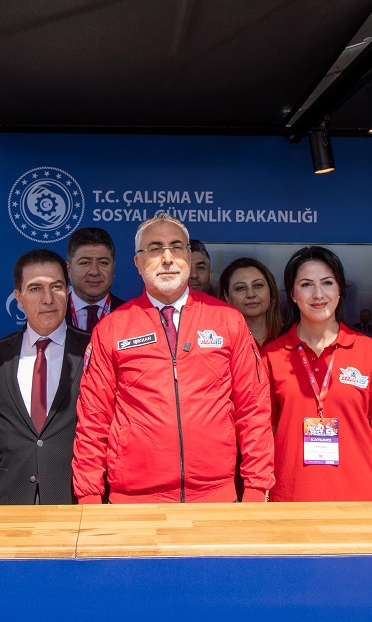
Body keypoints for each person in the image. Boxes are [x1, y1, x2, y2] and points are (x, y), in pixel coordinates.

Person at [72, 213, 274, 503]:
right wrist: (89, 497)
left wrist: (256, 489)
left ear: (188, 257)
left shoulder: (227, 320)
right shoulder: (112, 328)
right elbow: (93, 419)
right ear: (137, 262)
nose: (167, 258)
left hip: (214, 497)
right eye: (155, 249)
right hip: (133, 502)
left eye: (176, 247)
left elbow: (253, 408)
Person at [263, 246, 372, 502]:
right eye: (306, 285)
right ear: (292, 294)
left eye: (327, 283)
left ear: (340, 290)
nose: (318, 294)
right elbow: (265, 435)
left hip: (361, 502)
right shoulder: (271, 356)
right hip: (291, 501)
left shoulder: (369, 351)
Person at [0, 249, 90, 504]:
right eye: (35, 289)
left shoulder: (92, 349)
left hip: (72, 496)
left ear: (67, 291)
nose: (48, 299)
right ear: (19, 298)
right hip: (9, 498)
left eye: (56, 287)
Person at [65, 227, 125, 333]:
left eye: (103, 263)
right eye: (85, 263)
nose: (94, 271)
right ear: (69, 270)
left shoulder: (132, 314)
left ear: (113, 267)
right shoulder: (50, 314)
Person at [219, 257, 284, 350]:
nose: (251, 294)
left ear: (270, 291)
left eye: (258, 285)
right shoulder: (218, 341)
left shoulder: (290, 336)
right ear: (227, 297)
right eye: (240, 288)